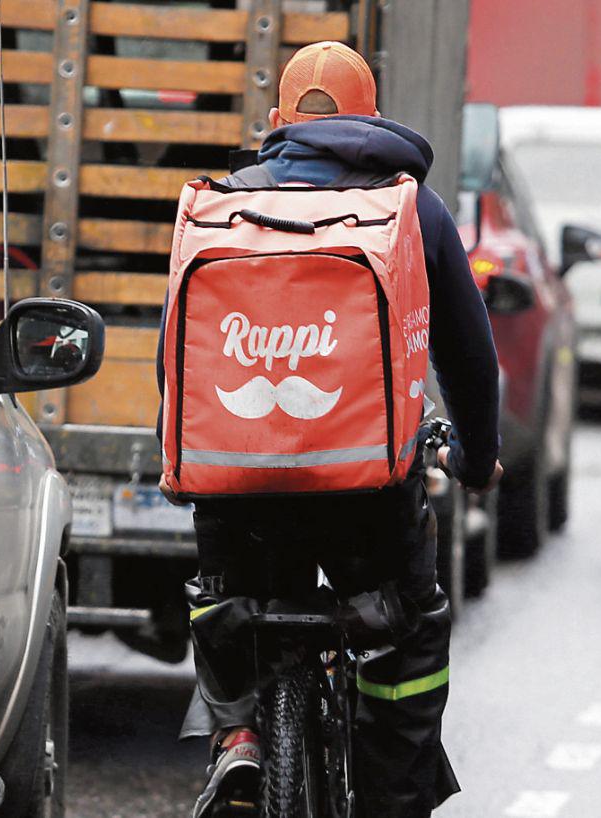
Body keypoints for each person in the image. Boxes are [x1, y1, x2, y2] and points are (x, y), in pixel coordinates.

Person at [156, 40, 502, 818]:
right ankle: (393, 793)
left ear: (278, 122)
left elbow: (174, 359)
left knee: (224, 601)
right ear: (371, 119)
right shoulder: (409, 206)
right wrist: (478, 458)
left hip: (237, 493)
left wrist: (180, 461)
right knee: (409, 629)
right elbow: (470, 357)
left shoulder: (220, 207)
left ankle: (240, 738)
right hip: (367, 499)